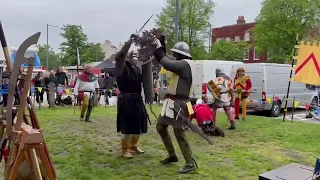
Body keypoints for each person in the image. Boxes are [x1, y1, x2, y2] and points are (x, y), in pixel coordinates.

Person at [152, 37, 197, 173]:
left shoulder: (184, 65)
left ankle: (190, 163)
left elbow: (166, 61)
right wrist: (163, 46)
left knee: (179, 133)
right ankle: (172, 155)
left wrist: (158, 48)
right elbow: (168, 60)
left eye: (175, 54)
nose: (174, 56)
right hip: (172, 102)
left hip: (180, 104)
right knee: (161, 126)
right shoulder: (184, 63)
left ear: (179, 54)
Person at [115, 34, 150, 159]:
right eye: (132, 55)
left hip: (137, 99)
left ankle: (134, 145)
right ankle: (125, 149)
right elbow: (120, 55)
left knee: (139, 124)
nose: (135, 57)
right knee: (128, 126)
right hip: (126, 100)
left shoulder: (136, 68)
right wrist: (129, 41)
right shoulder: (120, 66)